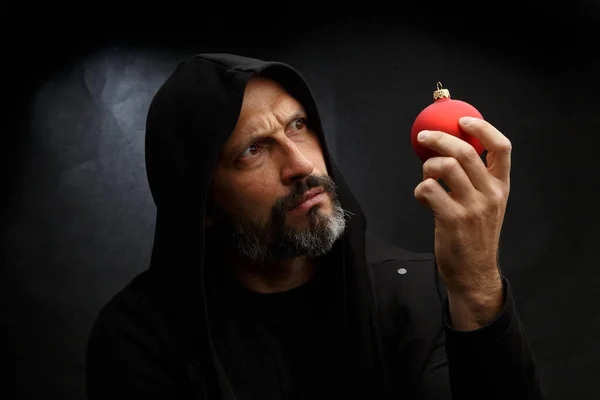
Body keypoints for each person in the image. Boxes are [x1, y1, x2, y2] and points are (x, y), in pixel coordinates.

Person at [85, 53, 546, 400]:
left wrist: (476, 282)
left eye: (298, 126)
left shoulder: (420, 292)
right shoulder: (139, 337)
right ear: (201, 201)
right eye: (253, 151)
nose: (301, 164)